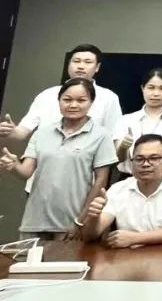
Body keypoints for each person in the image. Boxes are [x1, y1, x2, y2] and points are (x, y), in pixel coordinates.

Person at [0, 78, 117, 240]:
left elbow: (101, 182)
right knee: (26, 257)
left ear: (91, 103)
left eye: (81, 100)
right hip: (34, 220)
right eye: (67, 99)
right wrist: (13, 165)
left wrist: (80, 221)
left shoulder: (101, 136)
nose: (73, 105)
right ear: (59, 101)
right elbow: (25, 172)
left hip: (70, 222)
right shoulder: (42, 133)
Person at [81, 133, 162, 247]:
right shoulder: (118, 189)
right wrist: (93, 218)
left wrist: (134, 238)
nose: (145, 164)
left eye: (154, 158)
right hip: (128, 256)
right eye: (139, 159)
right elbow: (89, 236)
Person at [0, 44, 122, 144]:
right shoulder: (47, 95)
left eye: (87, 62)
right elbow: (23, 131)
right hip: (43, 159)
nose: (81, 66)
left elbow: (112, 137)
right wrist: (11, 131)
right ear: (68, 64)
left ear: (97, 67)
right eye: (76, 61)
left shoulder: (108, 98)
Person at [114, 68, 162, 177]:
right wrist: (124, 146)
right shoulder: (125, 120)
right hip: (129, 178)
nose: (156, 93)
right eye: (151, 87)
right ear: (142, 88)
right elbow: (117, 159)